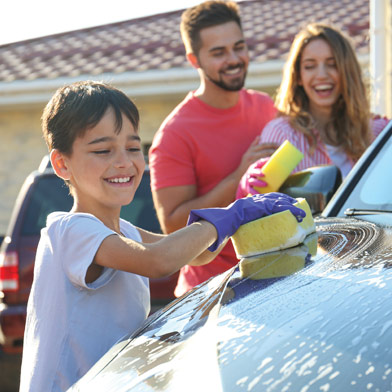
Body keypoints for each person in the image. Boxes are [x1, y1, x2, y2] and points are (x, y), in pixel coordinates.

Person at [19, 80, 305, 392]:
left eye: (132, 147)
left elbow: (198, 254)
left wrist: (241, 217)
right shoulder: (70, 230)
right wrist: (230, 215)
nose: (123, 162)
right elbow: (159, 261)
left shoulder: (124, 231)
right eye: (103, 150)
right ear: (62, 163)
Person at [149, 0, 277, 297]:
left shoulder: (266, 107)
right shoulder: (174, 134)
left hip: (272, 277)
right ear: (194, 60)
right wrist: (237, 178)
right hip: (209, 293)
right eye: (219, 52)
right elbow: (174, 226)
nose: (234, 59)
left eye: (239, 47)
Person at [236, 22, 389, 198]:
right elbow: (259, 206)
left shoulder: (378, 132)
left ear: (347, 71)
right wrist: (248, 186)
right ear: (299, 76)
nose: (322, 74)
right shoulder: (282, 134)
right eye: (310, 66)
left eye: (332, 64)